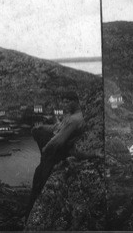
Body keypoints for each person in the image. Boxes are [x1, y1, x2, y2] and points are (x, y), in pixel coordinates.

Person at [23, 91, 85, 221]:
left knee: (39, 174)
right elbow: (56, 127)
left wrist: (46, 148)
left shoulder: (75, 119)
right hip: (58, 147)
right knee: (38, 131)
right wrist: (42, 127)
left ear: (74, 101)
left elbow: (59, 139)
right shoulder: (71, 116)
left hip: (60, 151)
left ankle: (28, 213)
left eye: (66, 102)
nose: (64, 105)